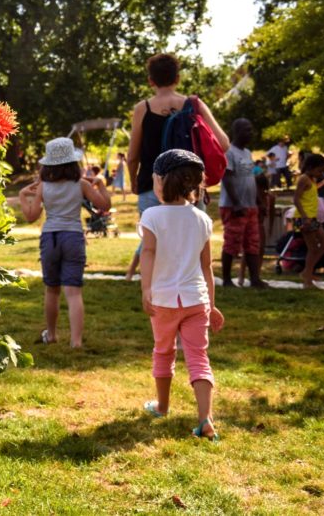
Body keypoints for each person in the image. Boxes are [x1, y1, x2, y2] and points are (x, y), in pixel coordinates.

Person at [139, 149, 223, 440]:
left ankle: (162, 407)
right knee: (199, 357)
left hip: (163, 301)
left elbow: (147, 253)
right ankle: (205, 420)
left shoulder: (151, 215)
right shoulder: (202, 219)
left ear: (160, 180)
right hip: (197, 301)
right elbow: (207, 267)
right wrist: (212, 305)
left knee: (163, 351)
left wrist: (145, 288)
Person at [125, 53, 229, 280]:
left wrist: (133, 181)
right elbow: (223, 143)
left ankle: (158, 297)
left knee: (154, 247)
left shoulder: (142, 109)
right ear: (178, 78)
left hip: (151, 187)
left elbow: (133, 155)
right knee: (194, 245)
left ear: (150, 80)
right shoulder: (194, 105)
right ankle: (193, 294)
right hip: (189, 186)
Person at [19, 137, 111, 348]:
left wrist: (24, 196)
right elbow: (104, 205)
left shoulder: (44, 187)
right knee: (74, 291)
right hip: (73, 237)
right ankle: (76, 341)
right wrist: (101, 185)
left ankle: (51, 334)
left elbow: (32, 216)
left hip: (50, 237)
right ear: (73, 162)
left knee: (52, 289)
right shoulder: (81, 185)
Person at [219, 119, 266, 288]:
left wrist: (259, 202)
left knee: (253, 243)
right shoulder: (229, 152)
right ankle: (226, 280)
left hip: (250, 206)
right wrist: (236, 202)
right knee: (232, 243)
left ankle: (255, 279)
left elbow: (250, 178)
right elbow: (227, 177)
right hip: (234, 207)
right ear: (236, 132)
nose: (251, 133)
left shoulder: (247, 152)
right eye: (247, 130)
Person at [294, 153, 324, 288]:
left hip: (313, 217)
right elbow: (296, 199)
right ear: (310, 167)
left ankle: (307, 271)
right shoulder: (303, 179)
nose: (321, 173)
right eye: (319, 170)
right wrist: (304, 217)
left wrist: (322, 183)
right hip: (306, 218)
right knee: (313, 248)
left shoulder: (312, 179)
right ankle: (307, 279)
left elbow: (310, 192)